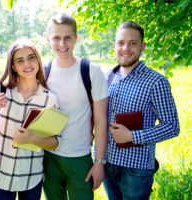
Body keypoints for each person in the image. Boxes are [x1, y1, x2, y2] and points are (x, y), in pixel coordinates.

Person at [103, 21, 180, 200]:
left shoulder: (156, 82)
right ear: (114, 46)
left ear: (142, 46)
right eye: (121, 43)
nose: (126, 48)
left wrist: (131, 136)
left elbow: (172, 126)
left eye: (133, 43)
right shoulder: (107, 77)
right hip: (107, 165)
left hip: (136, 169)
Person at [0, 38, 60, 200]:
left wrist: (32, 138)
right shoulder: (0, 91)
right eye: (20, 60)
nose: (27, 64)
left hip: (30, 174)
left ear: (38, 60)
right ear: (13, 66)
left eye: (31, 57)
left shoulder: (49, 99)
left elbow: (54, 143)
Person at [43, 13, 109, 200]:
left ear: (76, 38)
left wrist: (99, 162)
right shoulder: (43, 71)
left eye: (67, 38)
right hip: (48, 157)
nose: (62, 44)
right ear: (48, 39)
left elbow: (101, 119)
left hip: (80, 158)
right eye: (56, 38)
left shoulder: (91, 71)